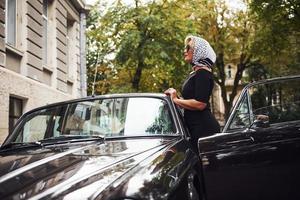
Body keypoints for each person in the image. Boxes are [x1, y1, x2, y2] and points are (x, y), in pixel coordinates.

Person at [165, 35, 220, 150]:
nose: (184, 51)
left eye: (188, 48)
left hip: (203, 130)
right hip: (196, 128)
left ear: (198, 51)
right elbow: (193, 99)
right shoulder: (196, 73)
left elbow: (200, 104)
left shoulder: (203, 74)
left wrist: (176, 100)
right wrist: (175, 96)